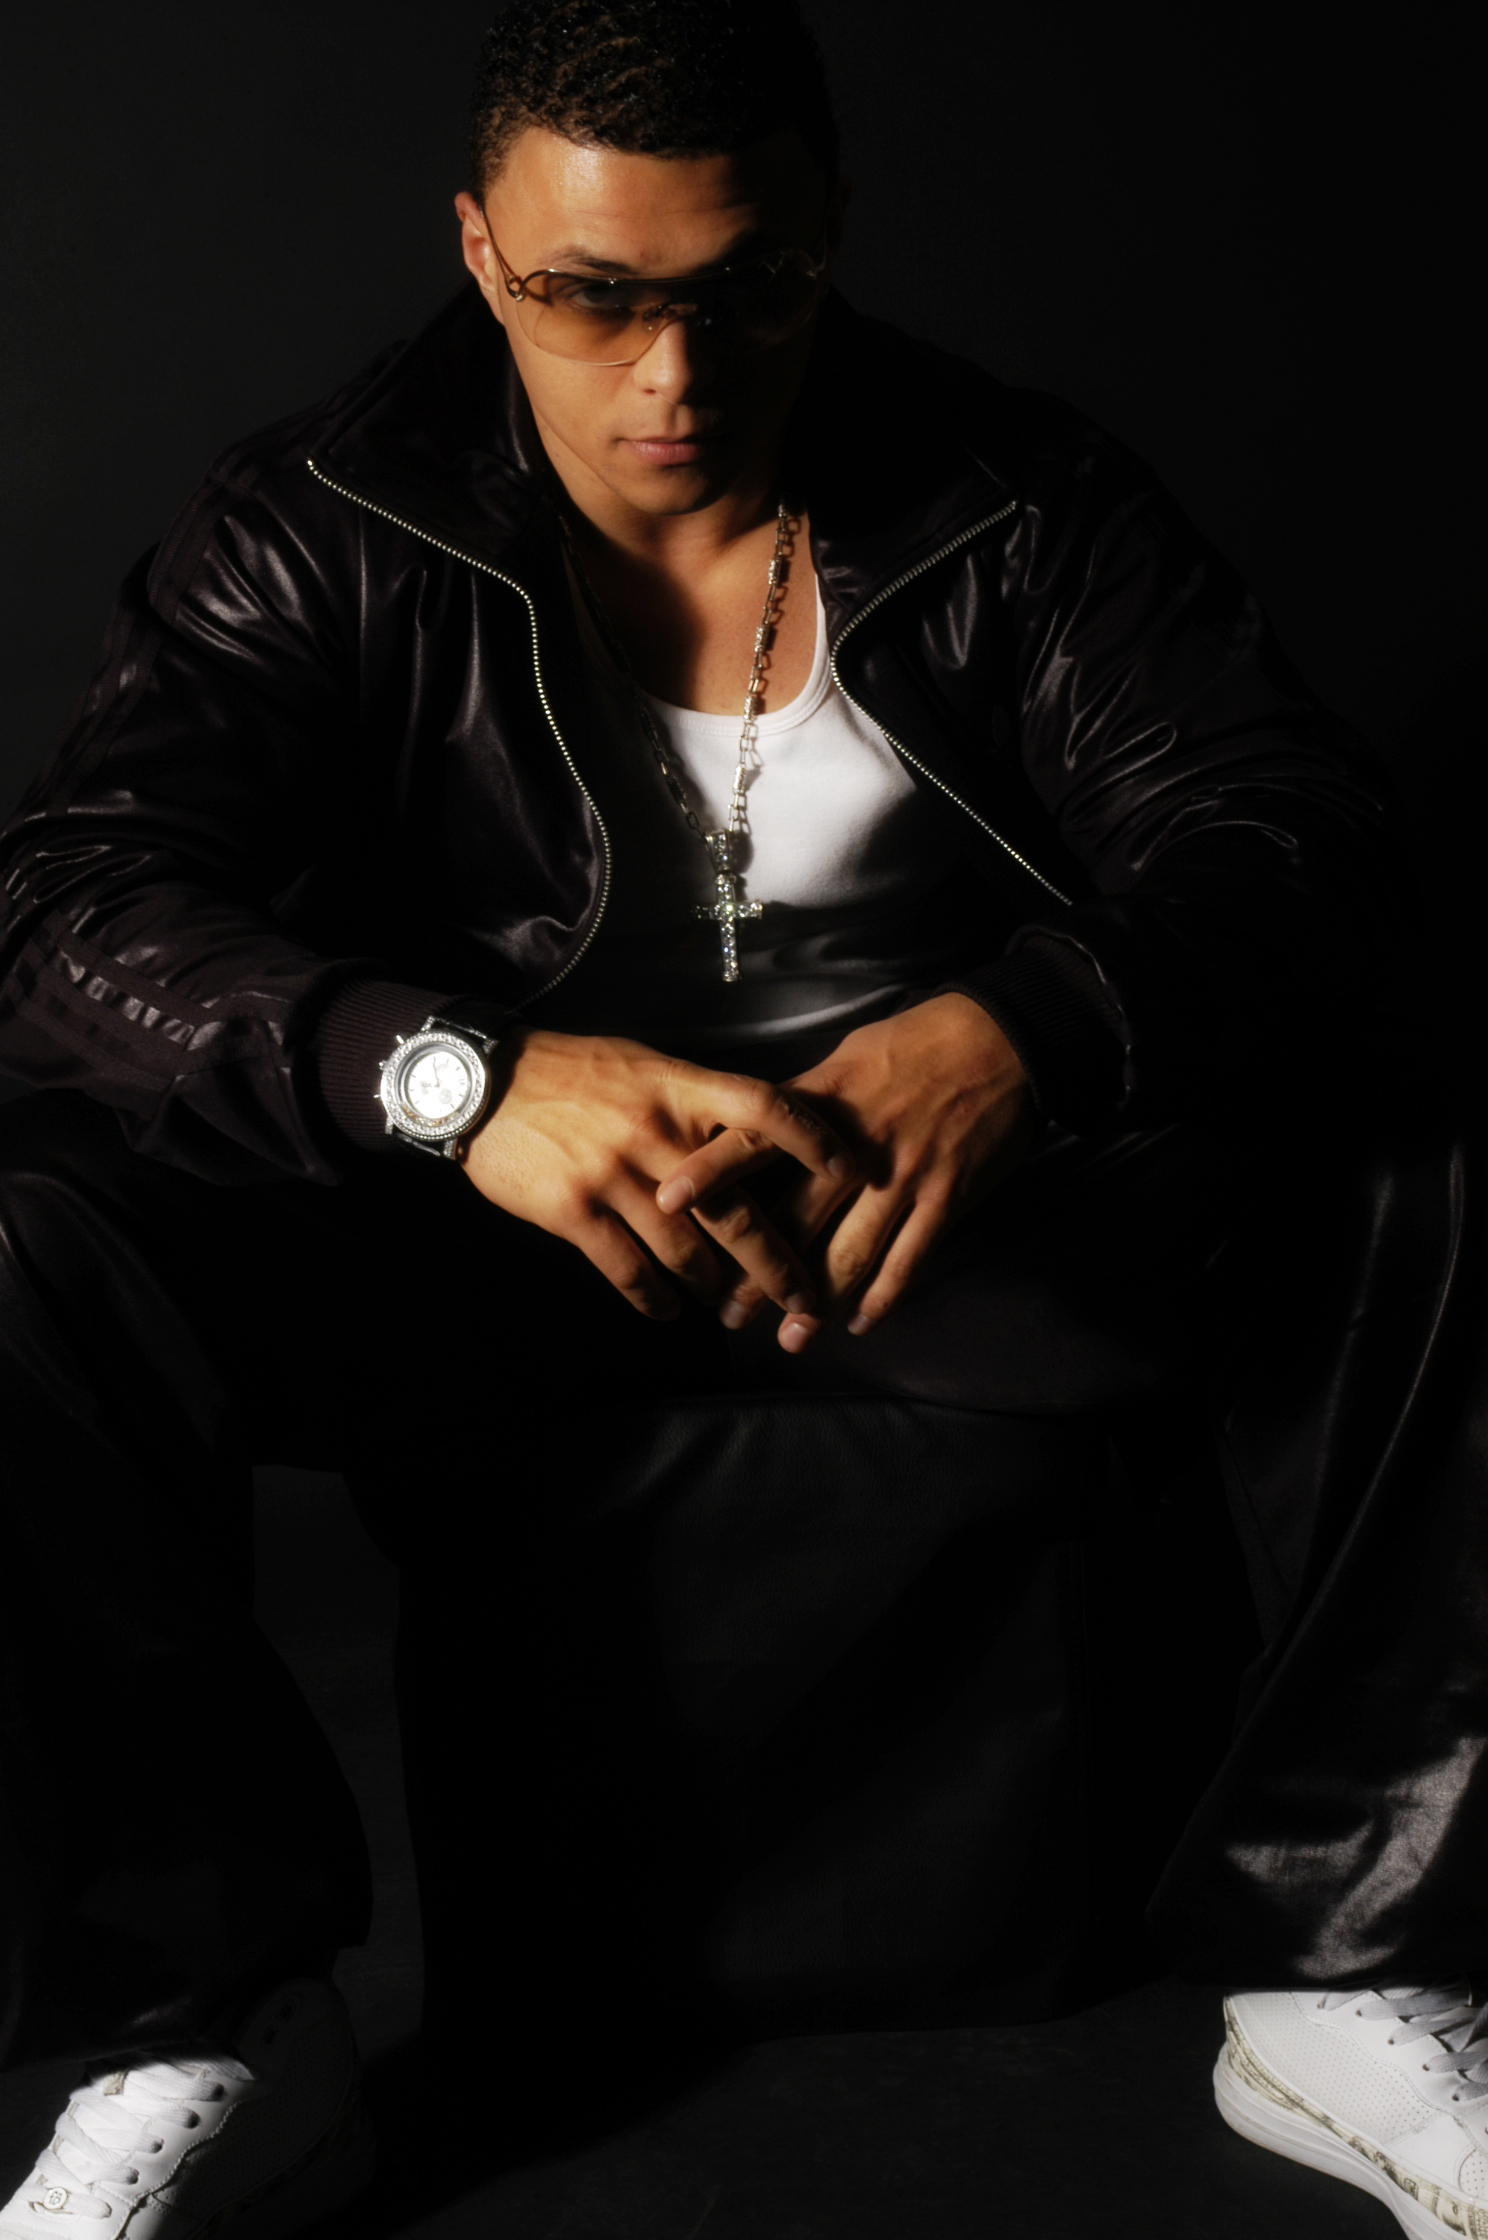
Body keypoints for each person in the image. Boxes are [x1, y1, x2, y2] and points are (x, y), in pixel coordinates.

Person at [0, 1, 1482, 2233]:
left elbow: (1298, 836)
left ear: (829, 239)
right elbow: (68, 904)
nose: (673, 377)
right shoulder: (321, 523)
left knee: (1422, 1162)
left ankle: (1355, 1955)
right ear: (481, 250)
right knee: (28, 1238)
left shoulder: (1020, 504)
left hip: (943, 1222)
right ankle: (203, 2012)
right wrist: (457, 1080)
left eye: (748, 290)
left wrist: (1026, 1030)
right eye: (593, 297)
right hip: (491, 1246)